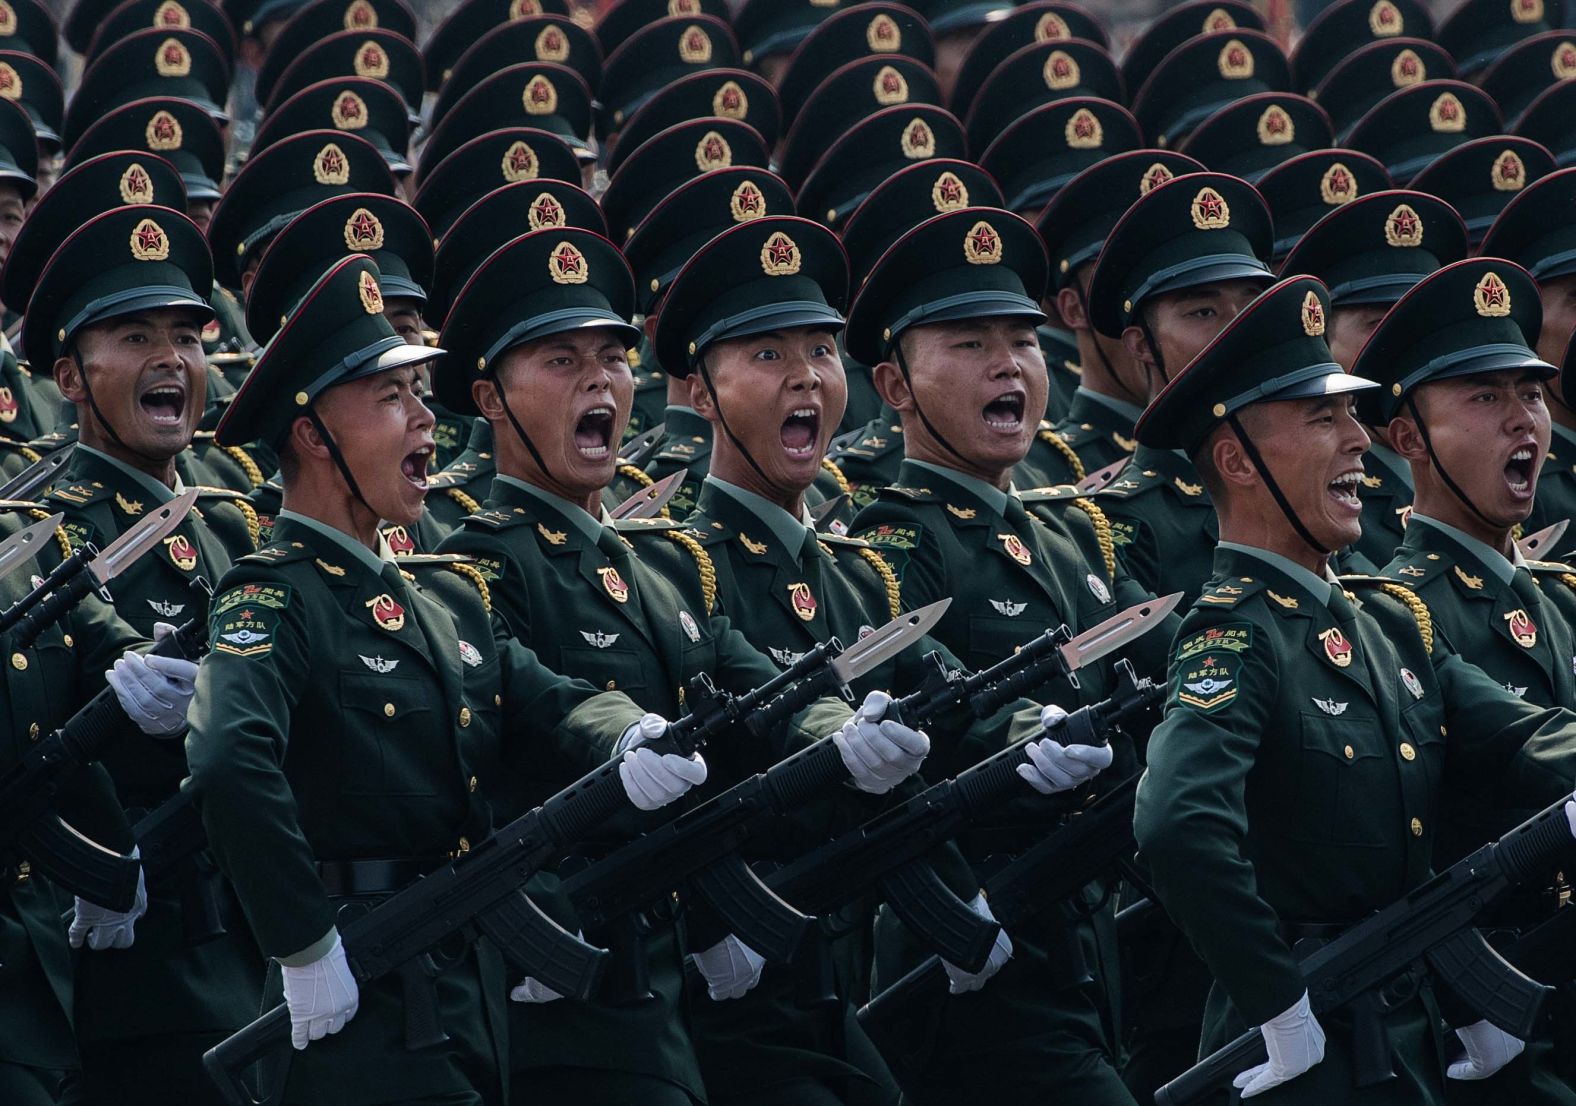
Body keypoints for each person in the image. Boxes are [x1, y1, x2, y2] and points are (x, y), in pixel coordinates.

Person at [184, 254, 706, 1104]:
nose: (427, 419)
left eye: (420, 395)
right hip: (355, 996)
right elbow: (225, 759)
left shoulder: (441, 596)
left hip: (461, 992)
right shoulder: (276, 593)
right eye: (392, 400)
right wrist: (303, 946)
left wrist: (631, 734)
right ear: (315, 435)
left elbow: (544, 695)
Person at [429, 223, 925, 1105]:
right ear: (491, 399)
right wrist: (622, 735)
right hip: (565, 977)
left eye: (613, 359)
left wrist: (841, 729)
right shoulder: (474, 566)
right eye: (560, 360)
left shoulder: (659, 566)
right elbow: (533, 694)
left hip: (672, 969)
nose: (598, 381)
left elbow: (757, 688)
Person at [648, 212, 1102, 1106]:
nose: (807, 377)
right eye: (768, 356)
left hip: (834, 967)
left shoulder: (856, 576)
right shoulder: (677, 567)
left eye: (819, 350)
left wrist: (1033, 730)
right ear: (700, 393)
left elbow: (950, 699)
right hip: (724, 981)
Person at [1132, 274, 1576, 1105]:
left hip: (1401, 1027)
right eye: (1322, 419)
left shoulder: (1386, 620)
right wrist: (1276, 1000)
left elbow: (1517, 734)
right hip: (1299, 1051)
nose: (1358, 441)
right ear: (1237, 460)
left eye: (1350, 415)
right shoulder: (1236, 635)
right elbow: (1177, 826)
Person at [844, 204, 1172, 1106]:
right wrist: (1033, 727)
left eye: (1023, 341)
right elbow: (929, 693)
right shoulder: (889, 543)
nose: (1008, 364)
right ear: (895, 385)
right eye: (968, 342)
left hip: (1083, 933)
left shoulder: (1076, 537)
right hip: (972, 937)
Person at [10, 201, 264, 1105]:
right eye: (134, 336)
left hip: (254, 941)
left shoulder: (238, 527)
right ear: (72, 378)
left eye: (188, 337)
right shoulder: (45, 538)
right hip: (134, 975)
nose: (172, 360)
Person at [1356, 258, 1576, 1105]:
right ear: (1407, 438)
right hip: (1480, 1010)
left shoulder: (1559, 598)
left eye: (1531, 395)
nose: (1522, 421)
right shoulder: (1394, 613)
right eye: (1484, 399)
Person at [1085, 171, 1276, 606]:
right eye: (1204, 312)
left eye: (1251, 305)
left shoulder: (1301, 484)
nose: (1239, 328)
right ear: (1141, 345)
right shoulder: (1120, 523)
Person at [1277, 189, 1470, 571]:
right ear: (1321, 340)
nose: (1406, 350)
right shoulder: (1315, 489)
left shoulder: (1479, 462)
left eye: (1423, 327)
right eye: (1378, 327)